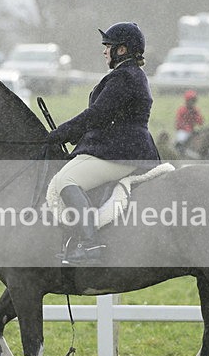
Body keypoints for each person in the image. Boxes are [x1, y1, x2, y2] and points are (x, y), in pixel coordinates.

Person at [46, 22, 160, 265]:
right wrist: (73, 136)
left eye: (108, 46)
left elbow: (96, 115)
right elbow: (105, 119)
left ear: (122, 50)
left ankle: (90, 245)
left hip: (122, 152)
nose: (104, 51)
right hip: (117, 147)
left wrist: (59, 134)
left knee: (66, 180)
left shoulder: (125, 77)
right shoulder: (127, 75)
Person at [174, 89, 204, 155]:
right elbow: (178, 122)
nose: (192, 102)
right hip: (183, 131)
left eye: (193, 100)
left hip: (192, 131)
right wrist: (187, 128)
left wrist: (196, 114)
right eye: (191, 100)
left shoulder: (196, 110)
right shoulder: (181, 110)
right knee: (181, 138)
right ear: (187, 101)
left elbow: (200, 122)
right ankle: (179, 154)